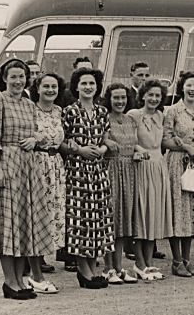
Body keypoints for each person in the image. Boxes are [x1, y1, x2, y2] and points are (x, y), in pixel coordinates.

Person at [0, 59, 54, 300]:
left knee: (24, 223)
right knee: (8, 225)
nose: (18, 81)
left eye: (22, 77)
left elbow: (38, 133)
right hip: (7, 164)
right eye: (13, 77)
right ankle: (9, 282)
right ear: (4, 78)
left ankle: (20, 281)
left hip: (28, 167)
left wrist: (35, 140)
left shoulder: (27, 103)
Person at [62, 67, 114, 289]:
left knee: (98, 220)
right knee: (81, 220)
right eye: (83, 83)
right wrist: (79, 150)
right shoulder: (69, 112)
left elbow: (106, 139)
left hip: (98, 170)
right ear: (76, 87)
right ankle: (84, 272)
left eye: (92, 83)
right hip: (77, 170)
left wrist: (102, 150)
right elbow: (61, 142)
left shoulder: (102, 112)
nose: (88, 87)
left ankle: (92, 269)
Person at [163, 71, 194, 277]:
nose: (192, 89)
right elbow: (164, 140)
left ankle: (187, 259)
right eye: (189, 85)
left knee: (192, 212)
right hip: (177, 163)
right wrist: (185, 149)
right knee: (178, 210)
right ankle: (176, 261)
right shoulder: (173, 111)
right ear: (182, 87)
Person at [126, 79, 174, 280]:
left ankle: (149, 263)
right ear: (143, 95)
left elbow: (162, 141)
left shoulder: (161, 115)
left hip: (159, 166)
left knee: (153, 215)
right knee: (141, 214)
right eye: (150, 94)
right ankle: (139, 263)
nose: (154, 98)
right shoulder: (134, 115)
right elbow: (127, 140)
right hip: (141, 166)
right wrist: (139, 149)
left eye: (157, 95)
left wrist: (179, 143)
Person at [26, 72, 68, 293]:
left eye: (54, 86)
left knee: (52, 218)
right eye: (46, 86)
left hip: (56, 166)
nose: (50, 90)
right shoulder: (30, 110)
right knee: (37, 217)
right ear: (38, 88)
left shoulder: (59, 111)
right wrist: (34, 140)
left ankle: (39, 266)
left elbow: (63, 140)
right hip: (37, 164)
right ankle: (35, 275)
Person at [100, 83, 140, 284]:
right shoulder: (104, 118)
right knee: (111, 218)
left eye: (123, 97)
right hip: (111, 170)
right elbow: (102, 139)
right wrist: (107, 143)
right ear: (109, 99)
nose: (120, 101)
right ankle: (107, 268)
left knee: (124, 218)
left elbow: (135, 143)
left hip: (129, 171)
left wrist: (139, 151)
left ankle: (119, 266)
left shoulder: (131, 120)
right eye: (116, 97)